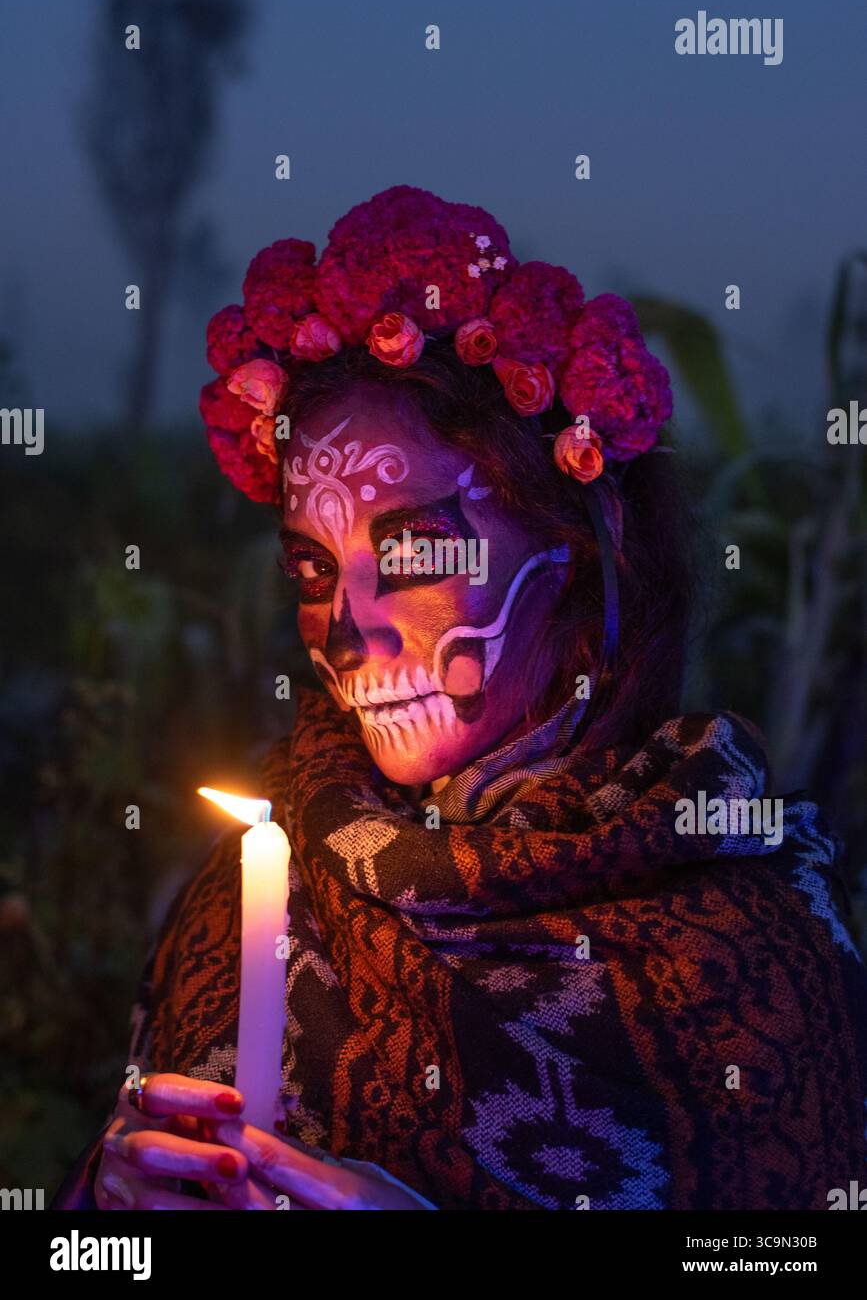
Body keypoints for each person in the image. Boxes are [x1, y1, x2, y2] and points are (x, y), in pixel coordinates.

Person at [54, 185, 867, 1210]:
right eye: (313, 572)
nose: (346, 629)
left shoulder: (755, 948)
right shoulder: (254, 889)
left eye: (414, 551)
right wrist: (117, 1203)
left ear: (581, 549)